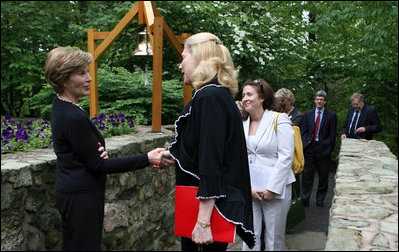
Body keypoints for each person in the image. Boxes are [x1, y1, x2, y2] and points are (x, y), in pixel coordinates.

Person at [45, 46, 168, 250]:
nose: (89, 78)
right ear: (62, 77)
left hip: (75, 191)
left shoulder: (62, 106)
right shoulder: (72, 116)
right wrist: (147, 158)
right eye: (81, 73)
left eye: (88, 71)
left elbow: (87, 155)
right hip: (81, 196)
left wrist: (96, 153)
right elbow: (99, 165)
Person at [161, 32, 255, 251]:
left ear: (199, 58)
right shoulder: (217, 95)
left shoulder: (209, 97)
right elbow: (206, 149)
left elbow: (211, 162)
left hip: (206, 212)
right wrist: (173, 154)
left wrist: (203, 222)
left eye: (183, 57)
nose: (180, 65)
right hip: (204, 206)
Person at [241, 79, 295, 251]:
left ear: (262, 97)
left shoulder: (280, 120)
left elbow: (286, 156)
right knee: (249, 236)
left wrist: (273, 188)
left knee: (274, 239)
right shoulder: (242, 123)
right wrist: (247, 187)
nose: (245, 98)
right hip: (250, 188)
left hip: (275, 189)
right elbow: (238, 158)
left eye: (249, 94)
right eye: (243, 95)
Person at [300, 90, 337, 207]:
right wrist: (305, 143)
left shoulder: (331, 115)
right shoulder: (308, 114)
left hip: (323, 149)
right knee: (307, 176)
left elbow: (332, 134)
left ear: (325, 101)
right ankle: (305, 199)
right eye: (317, 99)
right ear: (315, 100)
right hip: (309, 148)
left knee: (323, 176)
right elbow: (303, 131)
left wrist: (329, 147)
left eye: (322, 99)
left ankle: (320, 200)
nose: (319, 101)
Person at [275, 88, 304, 197]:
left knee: (294, 183)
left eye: (282, 101)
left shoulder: (298, 115)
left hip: (292, 155)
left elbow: (291, 132)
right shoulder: (277, 114)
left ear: (289, 102)